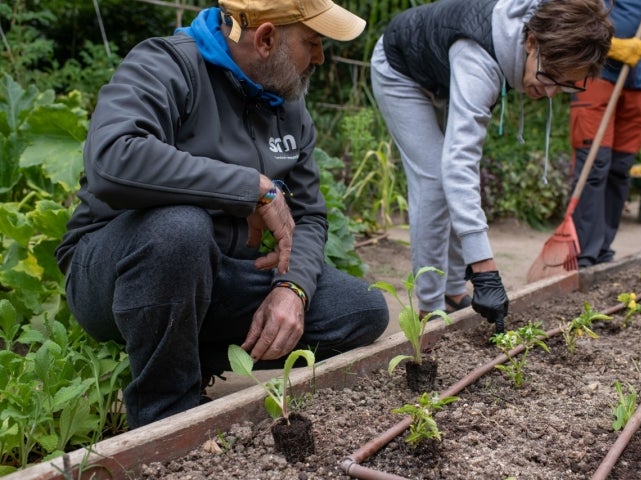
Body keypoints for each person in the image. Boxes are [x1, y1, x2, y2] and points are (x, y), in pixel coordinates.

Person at [54, 0, 389, 429]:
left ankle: (185, 352)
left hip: (214, 275)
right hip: (115, 269)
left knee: (360, 309)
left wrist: (293, 288)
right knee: (179, 228)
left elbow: (309, 216)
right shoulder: (166, 64)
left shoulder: (287, 104)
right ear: (267, 38)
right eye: (313, 42)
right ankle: (165, 418)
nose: (321, 57)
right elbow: (113, 160)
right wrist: (252, 188)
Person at [370, 0, 614, 333]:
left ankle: (455, 291)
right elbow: (458, 165)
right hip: (400, 68)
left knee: (453, 181)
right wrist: (486, 271)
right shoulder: (479, 59)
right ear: (530, 42)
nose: (552, 92)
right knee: (436, 181)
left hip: (438, 69)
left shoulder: (541, 31)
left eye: (566, 84)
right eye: (551, 77)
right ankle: (429, 310)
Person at [569, 0, 641, 268]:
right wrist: (611, 45)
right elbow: (574, 16)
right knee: (594, 163)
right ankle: (584, 254)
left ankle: (603, 248)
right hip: (596, 69)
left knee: (620, 167)